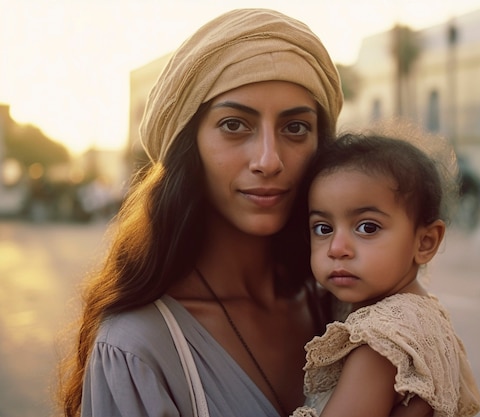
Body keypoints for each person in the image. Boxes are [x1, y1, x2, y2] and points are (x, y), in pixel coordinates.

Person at [57, 9, 432, 417]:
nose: (268, 160)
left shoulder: (347, 305)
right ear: (189, 146)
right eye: (235, 125)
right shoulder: (139, 347)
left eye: (295, 128)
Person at [290, 129, 480, 417]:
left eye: (368, 227)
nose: (337, 248)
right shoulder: (423, 314)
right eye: (323, 228)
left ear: (425, 242)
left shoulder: (382, 340)